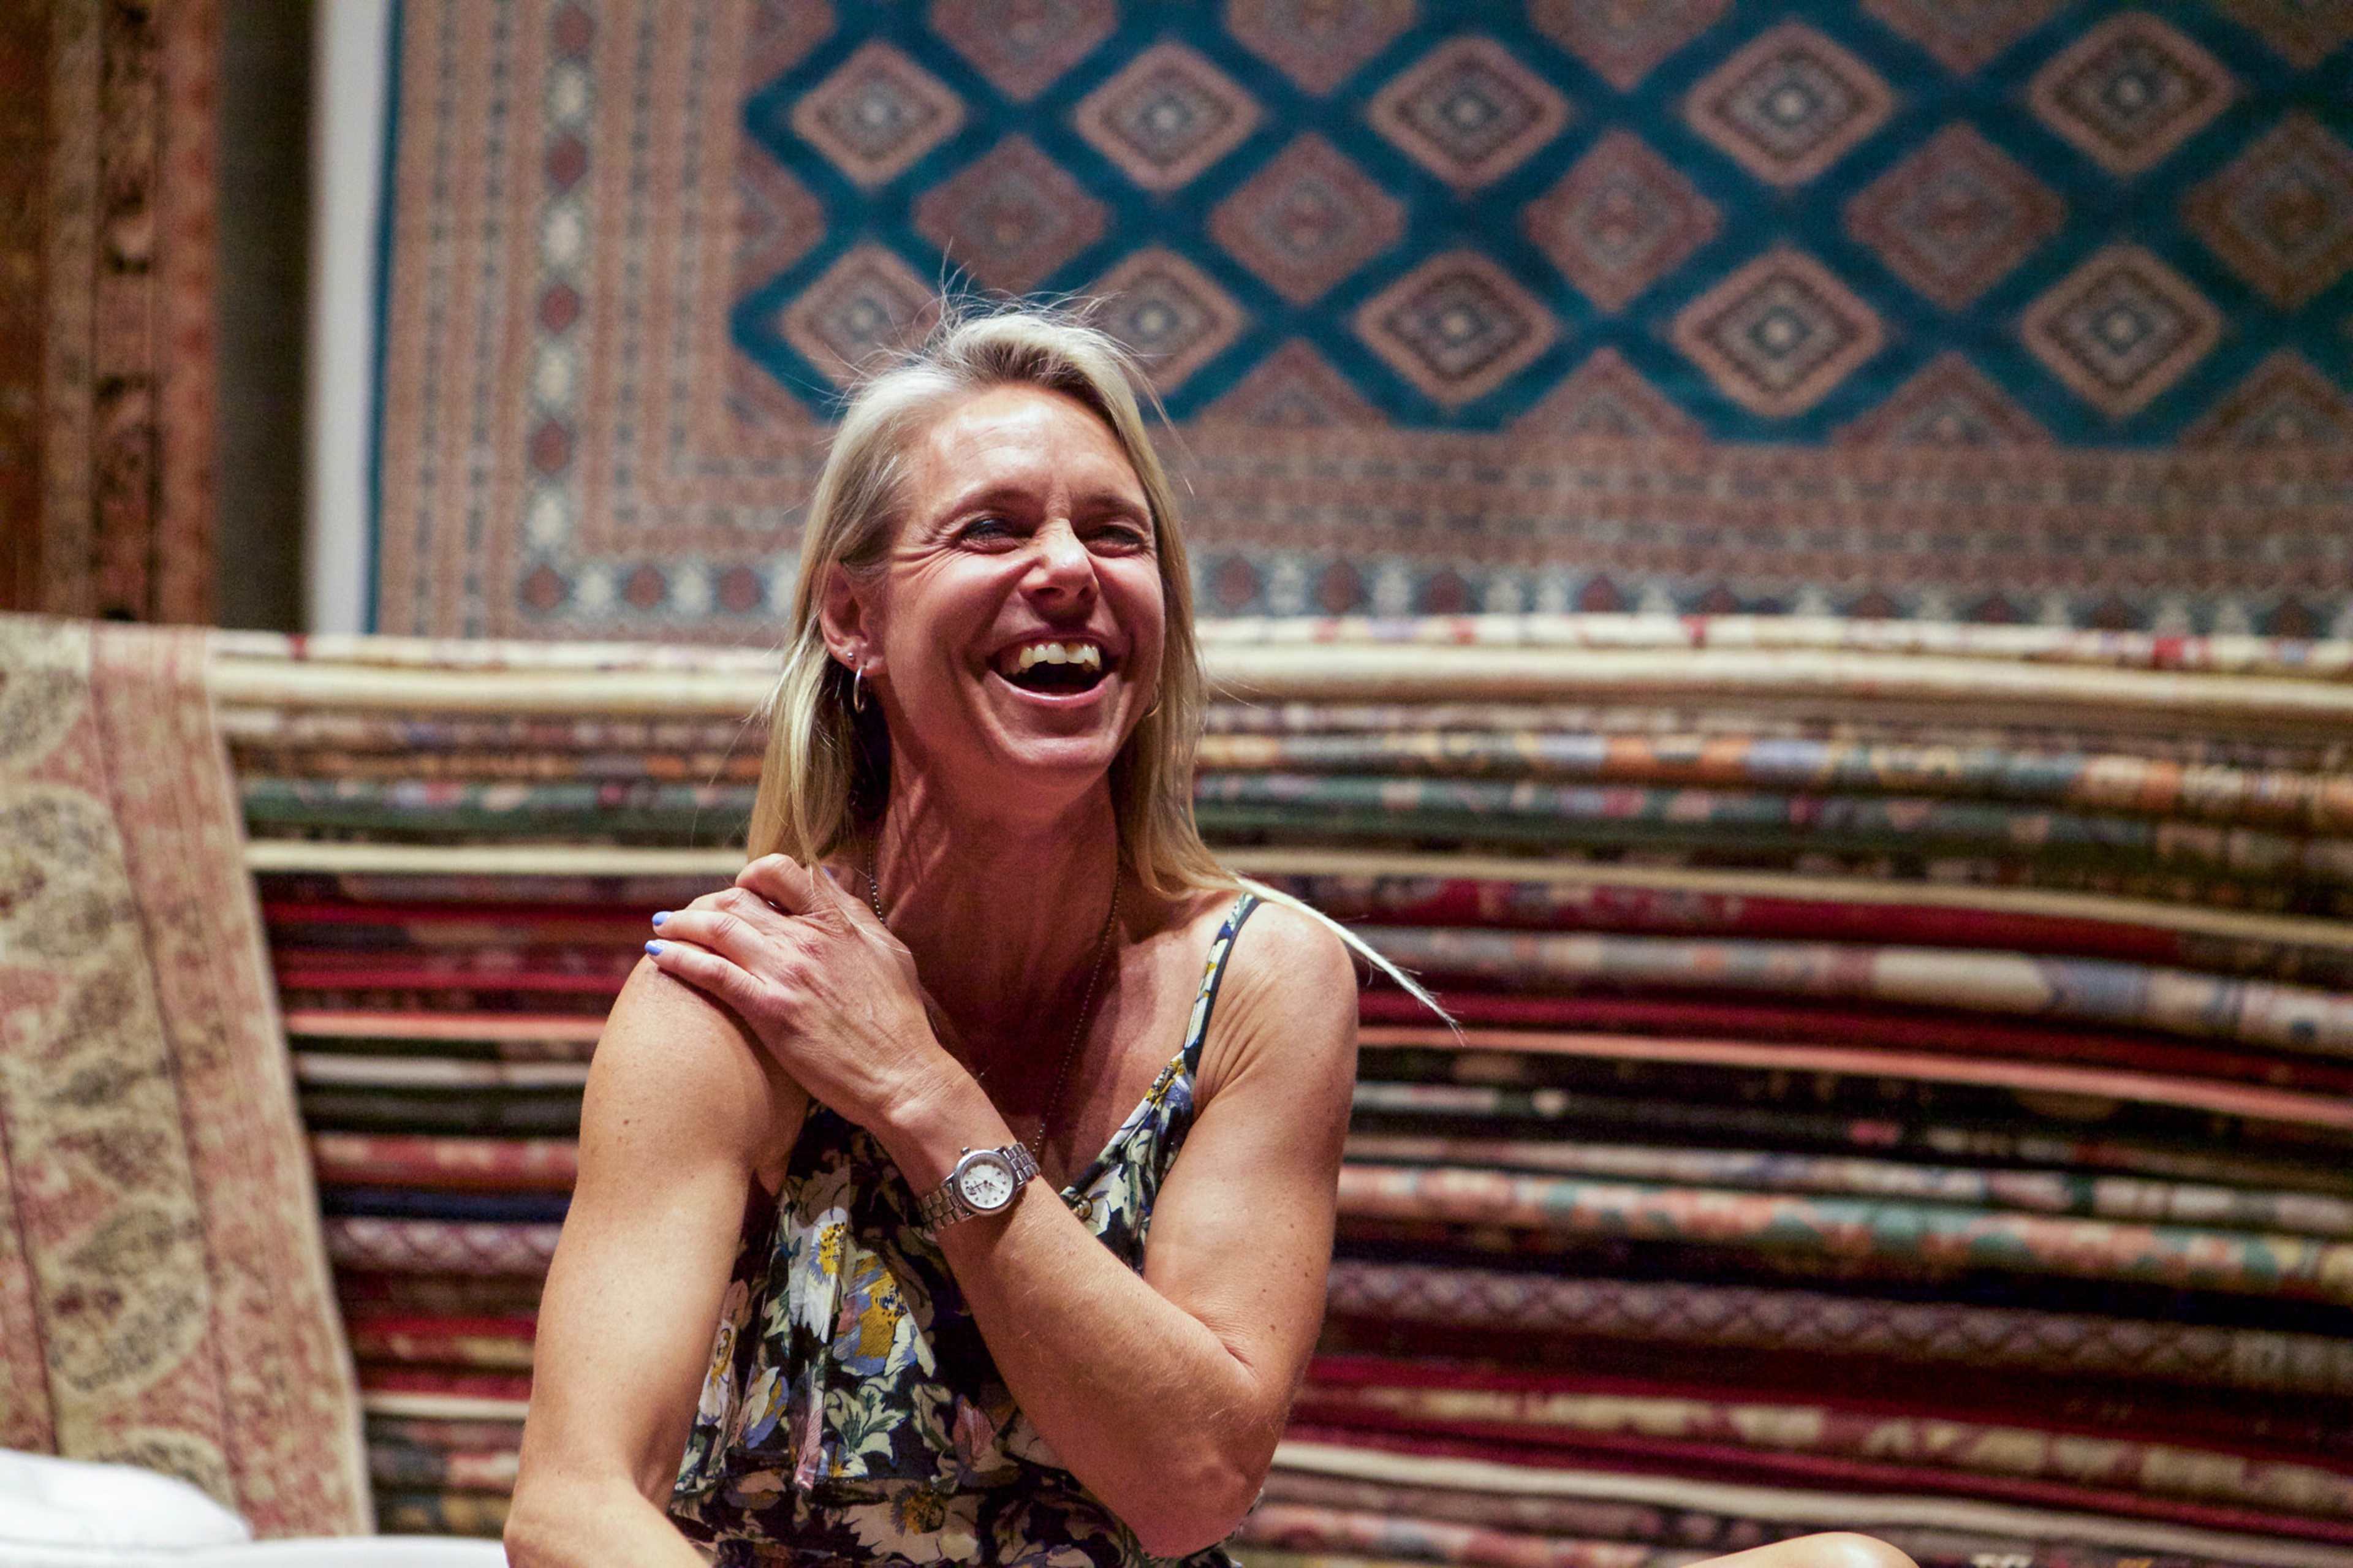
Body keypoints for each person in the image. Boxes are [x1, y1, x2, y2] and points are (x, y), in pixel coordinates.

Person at [504, 300, 1915, 1568]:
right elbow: (571, 1507)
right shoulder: (738, 996)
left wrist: (926, 1096)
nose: (1069, 569)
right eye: (994, 527)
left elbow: (1190, 1484)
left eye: (1114, 534)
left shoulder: (1262, 981)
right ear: (854, 616)